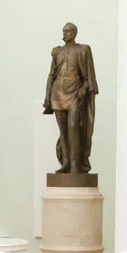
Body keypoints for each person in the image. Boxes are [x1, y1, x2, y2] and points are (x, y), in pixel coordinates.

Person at [42, 22, 98, 174]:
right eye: (64, 31)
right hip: (58, 92)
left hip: (74, 92)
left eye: (68, 31)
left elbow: (88, 78)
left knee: (73, 126)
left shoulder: (83, 50)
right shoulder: (57, 52)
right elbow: (51, 75)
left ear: (74, 33)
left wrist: (83, 89)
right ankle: (66, 162)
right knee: (63, 130)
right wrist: (47, 96)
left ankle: (75, 164)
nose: (65, 34)